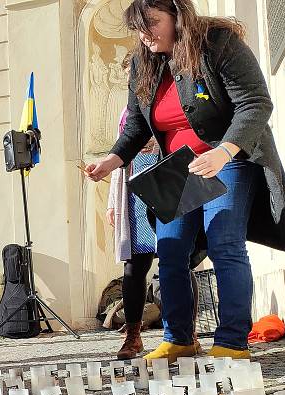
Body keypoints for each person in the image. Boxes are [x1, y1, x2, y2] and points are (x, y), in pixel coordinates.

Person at [86, 0, 285, 362]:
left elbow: (255, 103)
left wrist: (224, 151)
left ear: (177, 13)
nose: (145, 35)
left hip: (227, 159)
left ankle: (232, 341)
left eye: (153, 23)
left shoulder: (217, 43)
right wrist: (111, 160)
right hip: (177, 170)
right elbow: (136, 125)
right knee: (171, 251)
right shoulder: (144, 63)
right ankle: (179, 340)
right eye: (139, 28)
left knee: (225, 242)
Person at [106, 52, 159, 359]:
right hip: (134, 197)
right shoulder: (126, 114)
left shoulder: (164, 99)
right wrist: (114, 203)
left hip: (164, 187)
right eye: (128, 77)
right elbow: (119, 157)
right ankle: (133, 335)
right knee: (133, 268)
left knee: (175, 262)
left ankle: (186, 332)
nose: (131, 82)